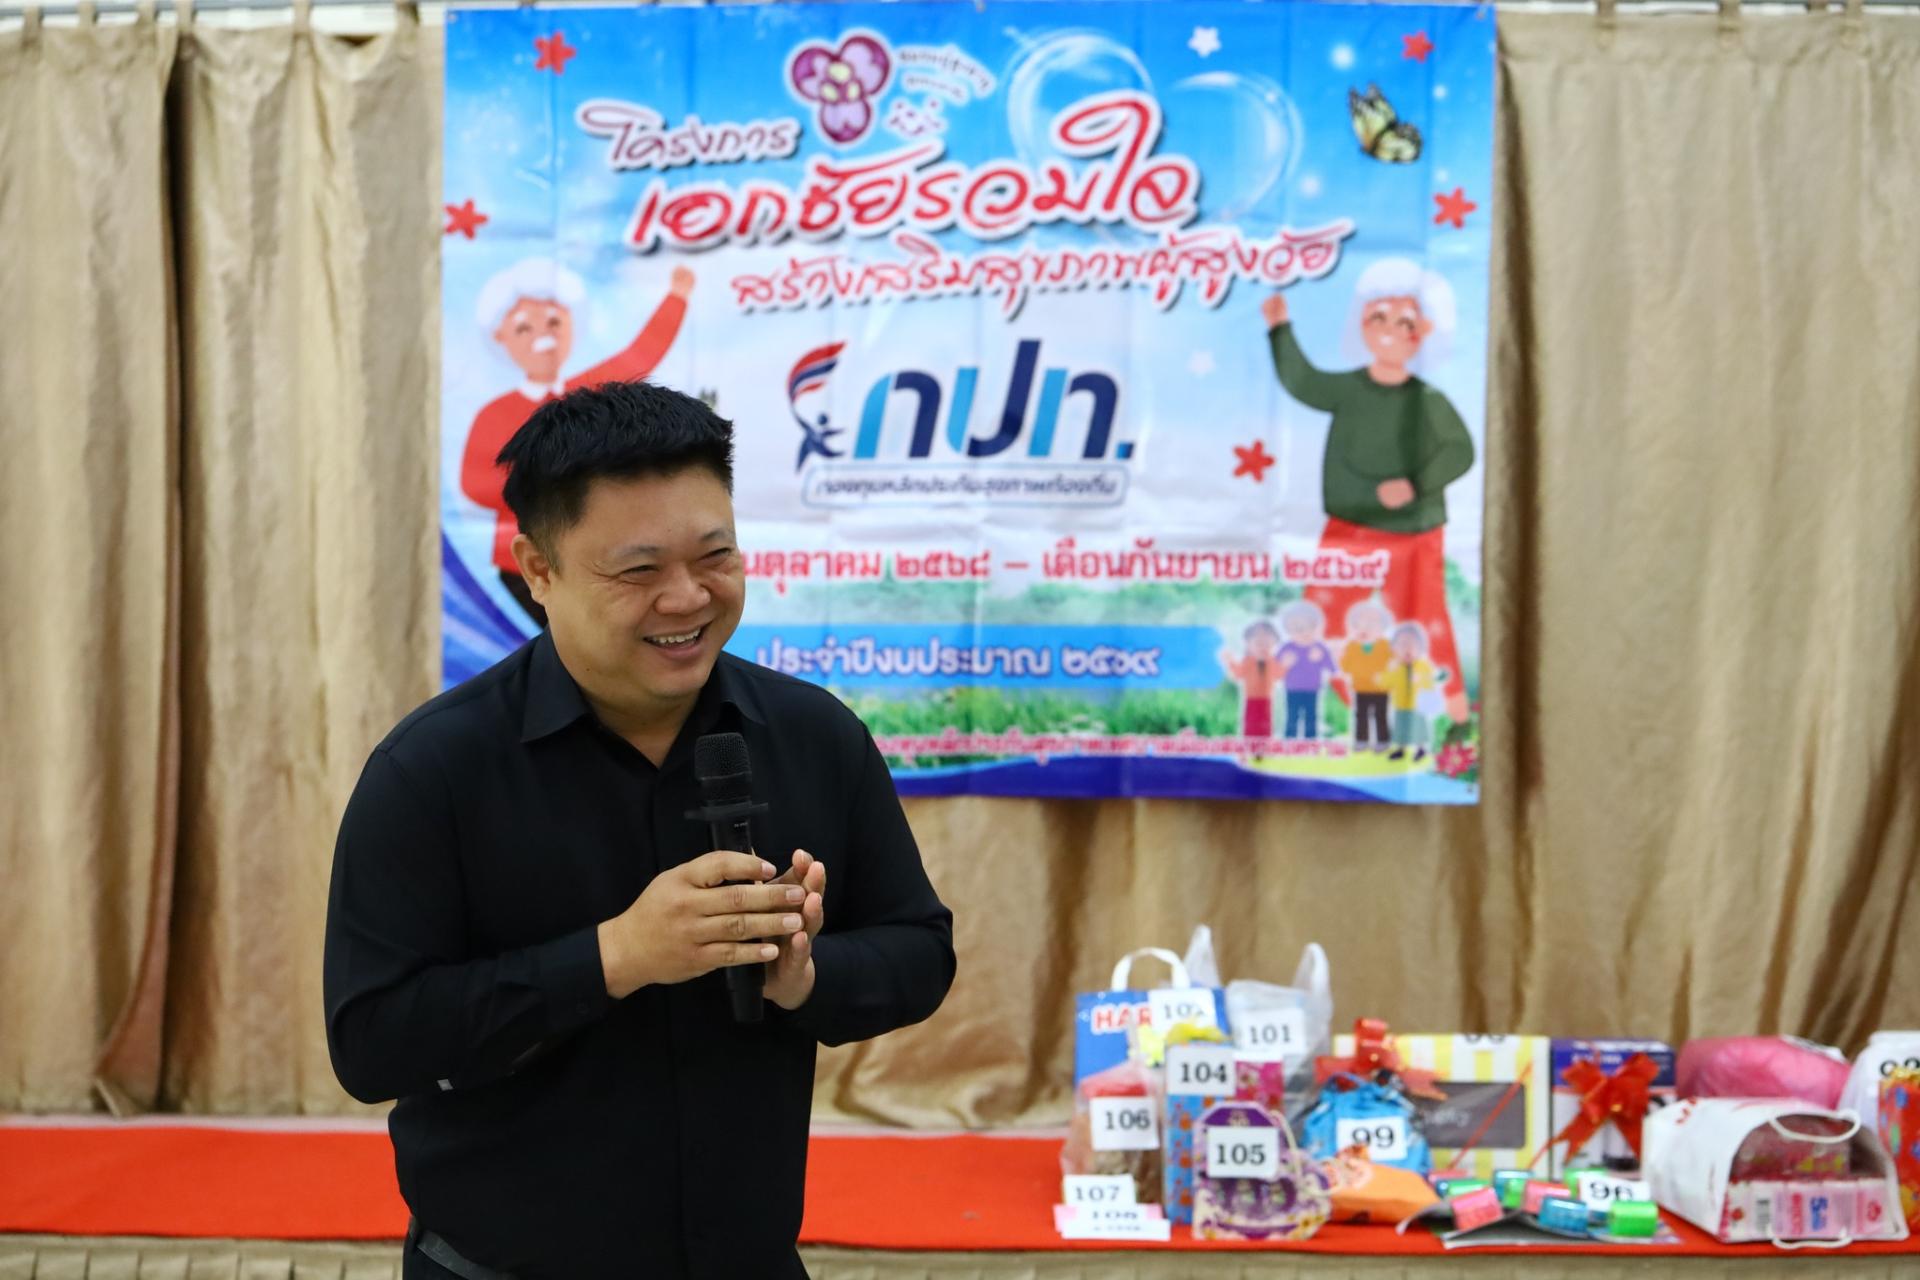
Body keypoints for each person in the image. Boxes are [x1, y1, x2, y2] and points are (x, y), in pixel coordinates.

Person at [326, 381, 955, 1279]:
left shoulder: (814, 736)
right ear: (538, 570)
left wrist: (805, 976)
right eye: (638, 571)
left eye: (715, 555)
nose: (687, 597)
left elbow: (920, 950)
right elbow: (372, 1042)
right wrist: (615, 956)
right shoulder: (433, 771)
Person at [1262, 259, 1475, 722]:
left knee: (1426, 619)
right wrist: (1280, 330)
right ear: (1361, 324)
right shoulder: (1348, 389)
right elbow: (1304, 383)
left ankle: (1456, 717)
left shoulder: (1428, 401)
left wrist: (1415, 484)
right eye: (1378, 318)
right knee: (1323, 617)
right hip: (1349, 525)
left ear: (1423, 335)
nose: (1389, 331)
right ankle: (1353, 711)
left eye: (1404, 323)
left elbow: (1460, 450)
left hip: (1414, 531)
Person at [461, 259, 695, 628]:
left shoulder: (587, 395)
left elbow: (640, 354)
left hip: (600, 566)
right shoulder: (493, 414)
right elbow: (472, 485)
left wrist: (676, 298)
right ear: (500, 338)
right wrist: (549, 486)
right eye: (523, 327)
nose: (543, 336)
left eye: (554, 322)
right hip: (518, 569)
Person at [1338, 600, 1394, 753]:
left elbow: (1394, 663)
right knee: (1361, 715)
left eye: (1370, 625)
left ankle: (1383, 741)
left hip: (1381, 689)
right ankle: (1361, 740)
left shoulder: (1386, 645)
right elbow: (1345, 666)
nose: (1363, 629)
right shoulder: (1352, 646)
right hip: (1360, 688)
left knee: (1381, 715)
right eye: (1357, 625)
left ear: (1382, 628)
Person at [1276, 600, 1335, 741]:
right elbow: (1274, 669)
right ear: (1288, 630)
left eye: (1311, 627)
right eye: (1298, 629)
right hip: (1292, 689)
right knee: (1292, 715)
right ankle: (1290, 739)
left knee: (1311, 715)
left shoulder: (1319, 647)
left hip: (1313, 689)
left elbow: (1332, 668)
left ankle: (1311, 740)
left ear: (1318, 628)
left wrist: (1321, 658)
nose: (1305, 632)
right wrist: (1284, 664)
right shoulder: (1286, 648)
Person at [1385, 621, 1441, 762]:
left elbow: (1431, 682)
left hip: (1418, 705)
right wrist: (1389, 673)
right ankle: (1401, 749)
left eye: (1412, 645)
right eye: (1402, 645)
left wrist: (1421, 679)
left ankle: (1421, 748)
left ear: (1421, 649)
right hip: (1400, 704)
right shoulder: (1395, 666)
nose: (1407, 649)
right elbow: (1387, 683)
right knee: (1400, 727)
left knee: (1419, 727)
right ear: (1394, 648)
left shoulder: (1424, 665)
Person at [1220, 618, 1282, 738]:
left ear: (1274, 644)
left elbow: (1279, 675)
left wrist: (1288, 665)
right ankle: (1249, 743)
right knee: (1250, 723)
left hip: (1267, 699)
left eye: (1268, 644)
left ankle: (1265, 743)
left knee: (1266, 723)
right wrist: (1230, 661)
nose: (1263, 648)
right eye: (1258, 643)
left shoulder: (1271, 661)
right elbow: (1239, 673)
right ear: (1248, 645)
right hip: (1251, 699)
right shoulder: (1248, 661)